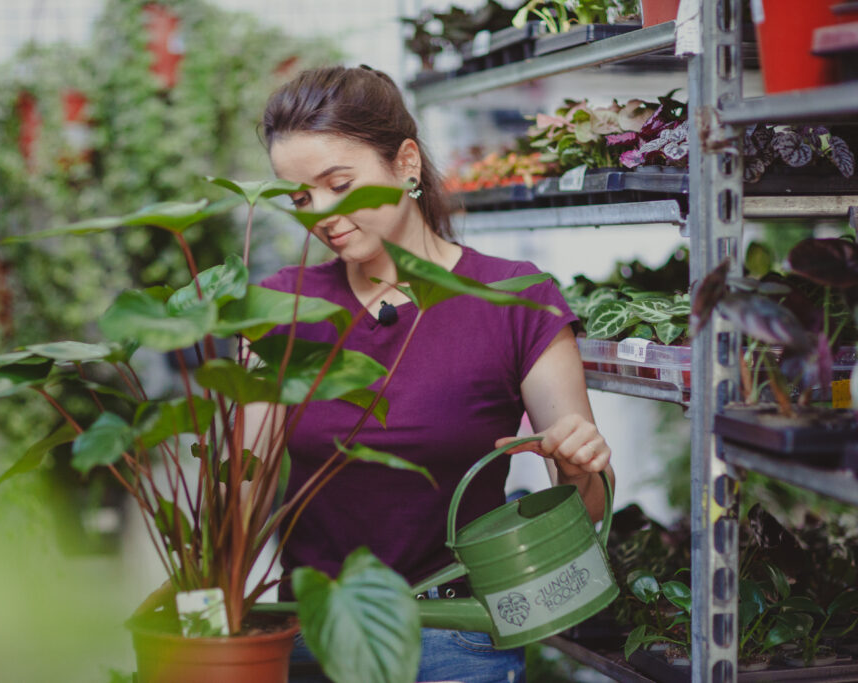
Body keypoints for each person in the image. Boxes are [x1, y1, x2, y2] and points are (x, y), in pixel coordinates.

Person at [254, 64, 615, 683]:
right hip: (314, 635)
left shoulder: (516, 298)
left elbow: (583, 515)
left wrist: (583, 469)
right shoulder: (278, 307)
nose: (323, 214)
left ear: (407, 163)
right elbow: (240, 487)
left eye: (341, 183)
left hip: (458, 638)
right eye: (301, 197)